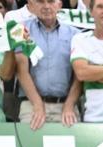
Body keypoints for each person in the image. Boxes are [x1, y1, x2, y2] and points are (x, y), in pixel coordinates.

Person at [14, 0, 80, 129]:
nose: (46, 6)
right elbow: (21, 71)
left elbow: (79, 75)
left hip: (66, 107)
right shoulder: (18, 29)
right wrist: (38, 105)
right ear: (31, 5)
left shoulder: (76, 34)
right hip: (31, 106)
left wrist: (69, 104)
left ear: (60, 5)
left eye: (51, 1)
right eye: (40, 1)